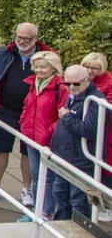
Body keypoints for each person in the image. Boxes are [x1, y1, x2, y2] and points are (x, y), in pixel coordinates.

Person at [0, 23, 54, 205]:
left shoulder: (46, 57)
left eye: (26, 39)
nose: (21, 41)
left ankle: (26, 189)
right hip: (4, 110)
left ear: (35, 38)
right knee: (0, 148)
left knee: (27, 151)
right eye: (19, 37)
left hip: (32, 113)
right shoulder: (5, 53)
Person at [45, 64, 104, 221]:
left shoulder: (95, 101)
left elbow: (89, 130)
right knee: (60, 196)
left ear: (87, 80)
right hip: (65, 157)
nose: (71, 87)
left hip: (81, 163)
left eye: (76, 84)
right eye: (67, 83)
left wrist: (66, 117)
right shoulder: (76, 96)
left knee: (79, 204)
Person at [21, 50, 65, 216]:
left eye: (43, 67)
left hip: (49, 140)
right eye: (36, 67)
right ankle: (37, 210)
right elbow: (28, 107)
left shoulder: (60, 87)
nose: (39, 71)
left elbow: (62, 115)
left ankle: (46, 211)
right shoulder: (34, 84)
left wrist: (49, 132)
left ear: (53, 68)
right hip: (31, 137)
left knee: (48, 177)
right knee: (36, 174)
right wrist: (23, 124)